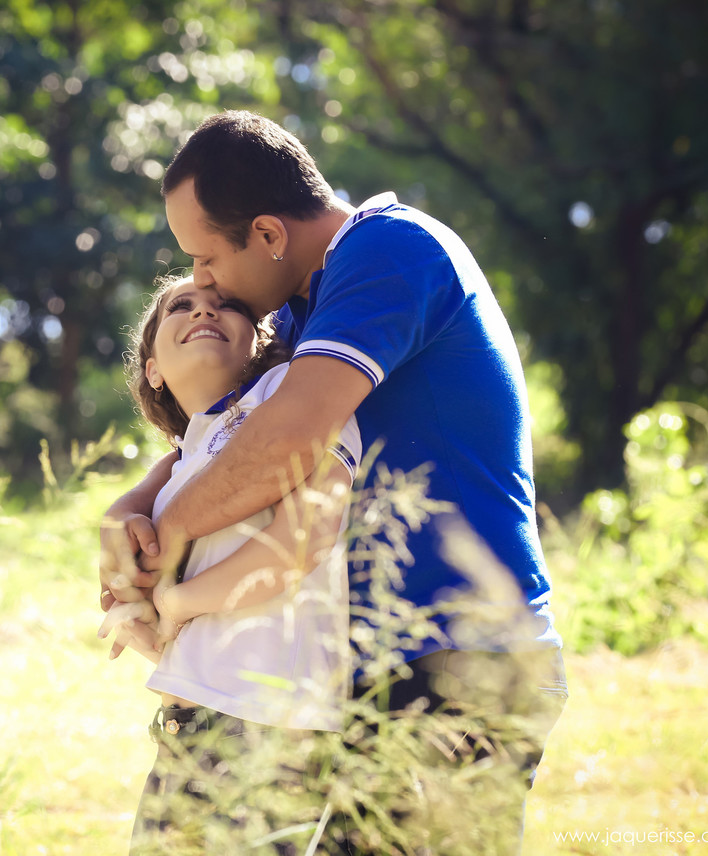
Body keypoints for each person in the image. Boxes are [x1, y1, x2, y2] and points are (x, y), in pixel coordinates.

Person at [100, 111, 567, 854]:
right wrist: (128, 511)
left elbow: (285, 440)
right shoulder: (303, 308)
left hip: (457, 657)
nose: (202, 280)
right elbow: (224, 438)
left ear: (268, 234)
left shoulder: (391, 249)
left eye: (206, 258)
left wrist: (169, 538)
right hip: (365, 668)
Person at [100, 274, 362, 854]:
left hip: (270, 734)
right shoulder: (183, 462)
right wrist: (145, 622)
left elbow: (303, 539)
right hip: (184, 731)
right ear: (153, 370)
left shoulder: (292, 397)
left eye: (227, 305)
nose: (204, 310)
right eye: (182, 306)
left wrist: (175, 601)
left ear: (260, 341)